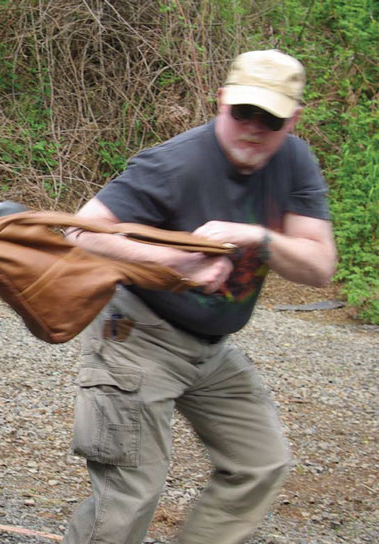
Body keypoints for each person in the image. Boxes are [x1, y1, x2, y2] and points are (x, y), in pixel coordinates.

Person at [62, 50, 337, 544]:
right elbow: (80, 235)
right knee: (130, 495)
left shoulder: (295, 162)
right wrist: (179, 260)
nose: (254, 127)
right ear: (222, 101)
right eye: (243, 112)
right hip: (136, 336)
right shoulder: (173, 161)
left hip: (211, 349)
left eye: (271, 118)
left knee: (260, 463)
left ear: (293, 119)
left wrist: (256, 237)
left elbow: (320, 266)